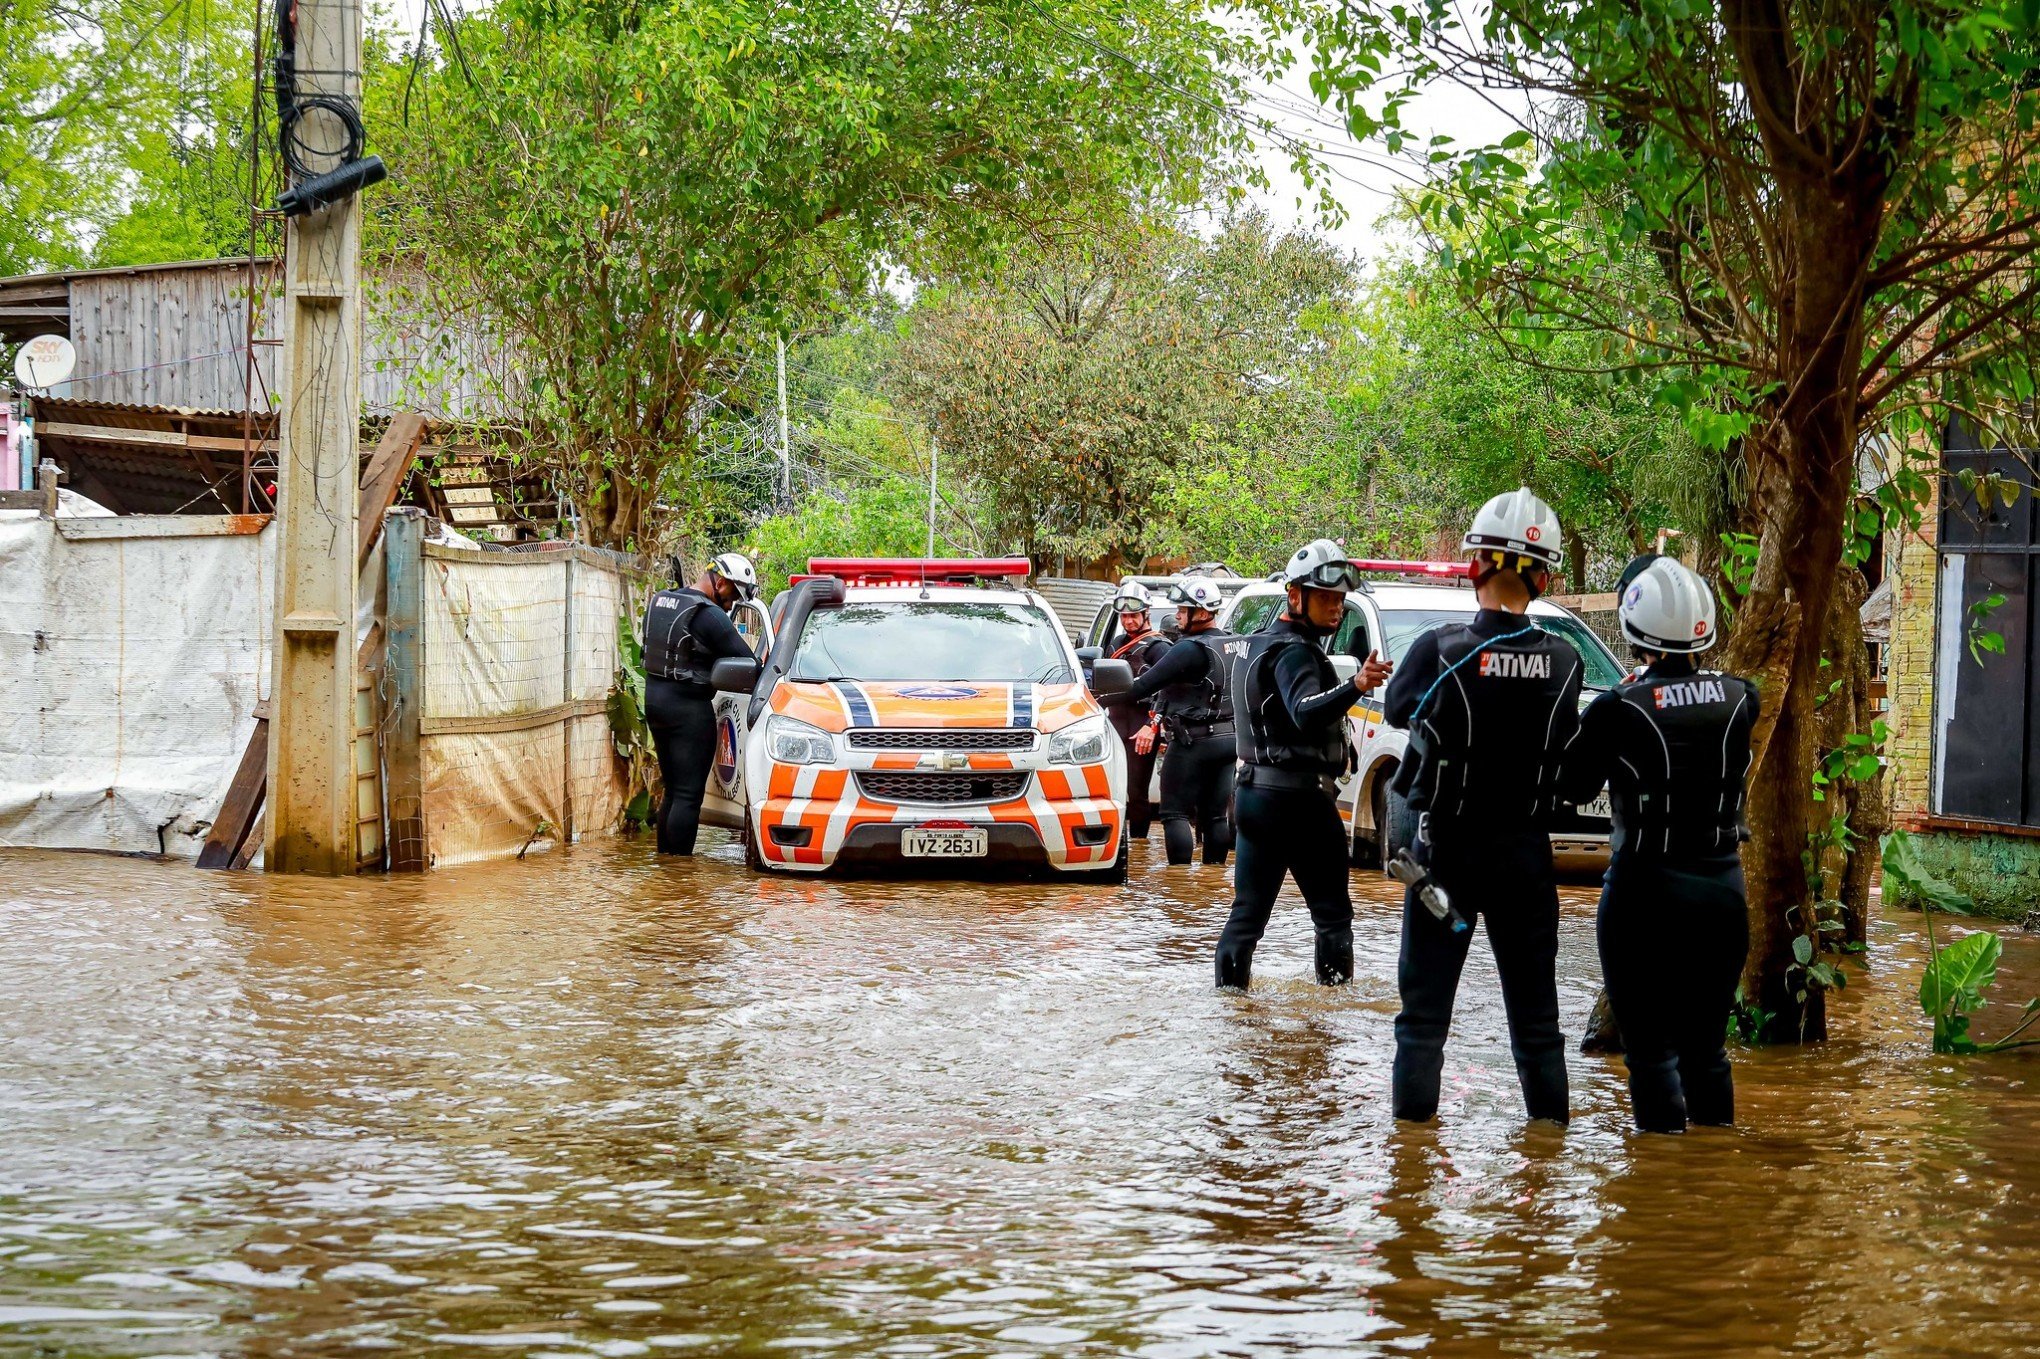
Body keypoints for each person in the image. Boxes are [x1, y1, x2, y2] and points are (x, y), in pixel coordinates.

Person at [1382, 487, 1583, 1125]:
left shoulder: (1440, 650)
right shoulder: (1566, 661)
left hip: (1446, 855)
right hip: (1526, 857)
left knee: (1423, 1022)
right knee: (1538, 1022)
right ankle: (1547, 1169)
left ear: (1475, 567)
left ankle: (1410, 1177)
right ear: (1545, 575)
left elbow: (1395, 710)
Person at [1559, 555, 1757, 1134]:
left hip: (1644, 894)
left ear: (1633, 628)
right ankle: (1712, 1186)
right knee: (1707, 1052)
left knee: (1650, 1055)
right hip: (1722, 893)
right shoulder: (1742, 698)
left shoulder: (1618, 709)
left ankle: (1661, 1194)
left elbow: (1574, 787)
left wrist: (1610, 712)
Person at [1215, 540, 1394, 989]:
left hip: (1254, 794)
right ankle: (1331, 1019)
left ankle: (1229, 1010)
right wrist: (1356, 684)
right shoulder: (1296, 651)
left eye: (1339, 600)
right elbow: (1306, 710)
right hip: (1298, 800)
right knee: (1333, 917)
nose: (1335, 609)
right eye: (1325, 598)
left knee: (1246, 919)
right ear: (1295, 597)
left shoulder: (1256, 644)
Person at [641, 551, 758, 856]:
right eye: (733, 595)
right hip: (688, 710)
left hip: (654, 702)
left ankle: (666, 869)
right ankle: (680, 879)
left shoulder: (661, 601)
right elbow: (750, 662)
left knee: (673, 791)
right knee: (688, 795)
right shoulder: (709, 615)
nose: (732, 604)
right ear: (720, 581)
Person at [1124, 576, 1242, 866]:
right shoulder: (1233, 643)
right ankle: (1212, 882)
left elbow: (1141, 687)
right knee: (1215, 815)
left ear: (1201, 613)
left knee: (1174, 813)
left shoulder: (1188, 648)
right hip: (1229, 739)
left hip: (1193, 741)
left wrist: (1100, 694)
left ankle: (1179, 887)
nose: (1176, 614)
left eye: (1183, 609)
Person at [1100, 583, 1173, 839]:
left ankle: (1139, 845)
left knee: (1137, 792)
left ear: (1146, 614)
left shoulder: (1159, 648)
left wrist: (1153, 726)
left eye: (1133, 615)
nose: (1128, 621)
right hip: (1113, 725)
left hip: (1141, 727)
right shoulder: (1117, 643)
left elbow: (1168, 689)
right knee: (1112, 790)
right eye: (1124, 616)